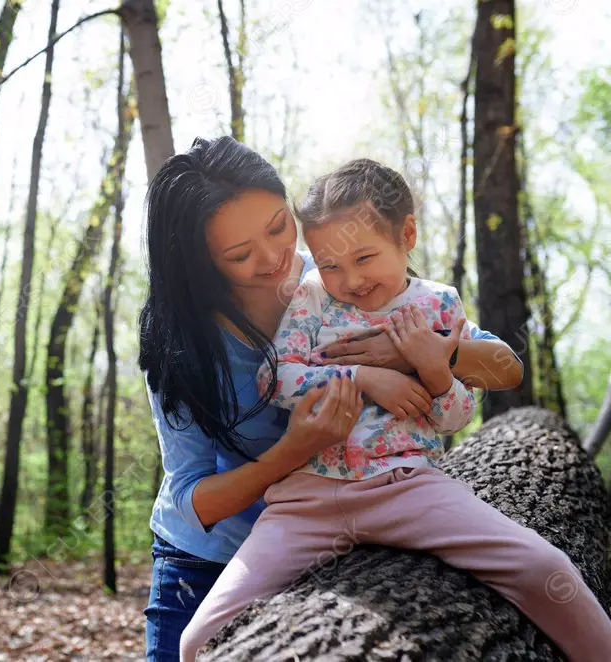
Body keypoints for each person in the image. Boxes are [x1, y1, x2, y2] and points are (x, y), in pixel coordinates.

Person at [177, 158, 611, 662]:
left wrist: (435, 368)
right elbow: (275, 377)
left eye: (364, 257)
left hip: (408, 487)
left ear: (406, 235)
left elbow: (455, 417)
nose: (352, 279)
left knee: (544, 569)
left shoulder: (439, 307)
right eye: (332, 263)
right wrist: (362, 378)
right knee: (198, 638)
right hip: (308, 499)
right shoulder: (312, 298)